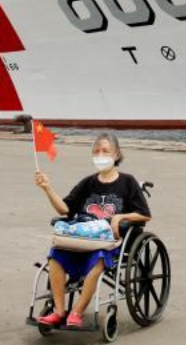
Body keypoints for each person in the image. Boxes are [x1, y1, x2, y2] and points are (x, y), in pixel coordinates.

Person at [34, 133, 151, 329]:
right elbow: (64, 209)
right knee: (55, 256)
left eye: (105, 151)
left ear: (117, 154)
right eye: (96, 151)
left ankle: (77, 312)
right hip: (81, 238)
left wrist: (120, 217)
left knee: (98, 259)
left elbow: (144, 215)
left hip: (108, 242)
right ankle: (59, 311)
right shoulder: (88, 182)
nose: (100, 154)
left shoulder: (128, 182)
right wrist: (47, 188)